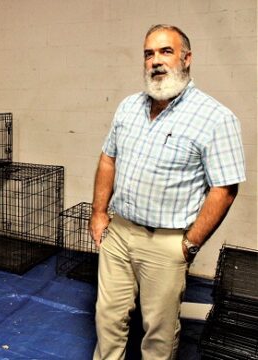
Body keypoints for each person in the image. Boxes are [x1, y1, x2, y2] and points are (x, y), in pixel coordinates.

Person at [89, 24, 246, 360]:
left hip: (166, 243)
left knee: (158, 333)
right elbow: (107, 159)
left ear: (186, 59)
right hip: (118, 233)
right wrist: (99, 213)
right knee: (107, 319)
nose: (156, 61)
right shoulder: (128, 107)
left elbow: (225, 188)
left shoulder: (216, 118)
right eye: (149, 53)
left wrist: (190, 243)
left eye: (166, 52)